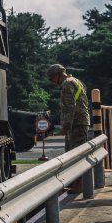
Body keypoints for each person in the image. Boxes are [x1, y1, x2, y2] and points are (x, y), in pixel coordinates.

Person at [46, 64, 90, 193]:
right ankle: (77, 183)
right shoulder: (76, 81)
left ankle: (79, 185)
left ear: (58, 75)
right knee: (74, 153)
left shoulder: (66, 84)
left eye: (52, 78)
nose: (53, 82)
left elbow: (69, 107)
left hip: (76, 123)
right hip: (80, 121)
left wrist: (66, 126)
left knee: (75, 154)